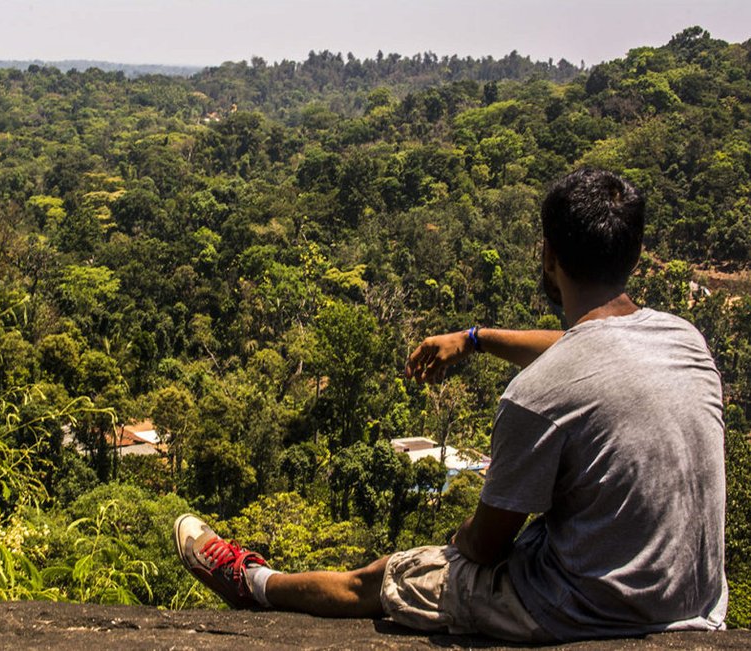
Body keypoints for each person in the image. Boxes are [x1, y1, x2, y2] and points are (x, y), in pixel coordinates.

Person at [173, 168, 728, 642]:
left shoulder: (537, 395)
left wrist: (455, 542)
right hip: (696, 605)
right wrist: (475, 338)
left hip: (589, 612)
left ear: (548, 255)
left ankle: (249, 583)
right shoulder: (686, 340)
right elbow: (592, 351)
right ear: (634, 253)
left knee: (384, 575)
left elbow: (484, 548)